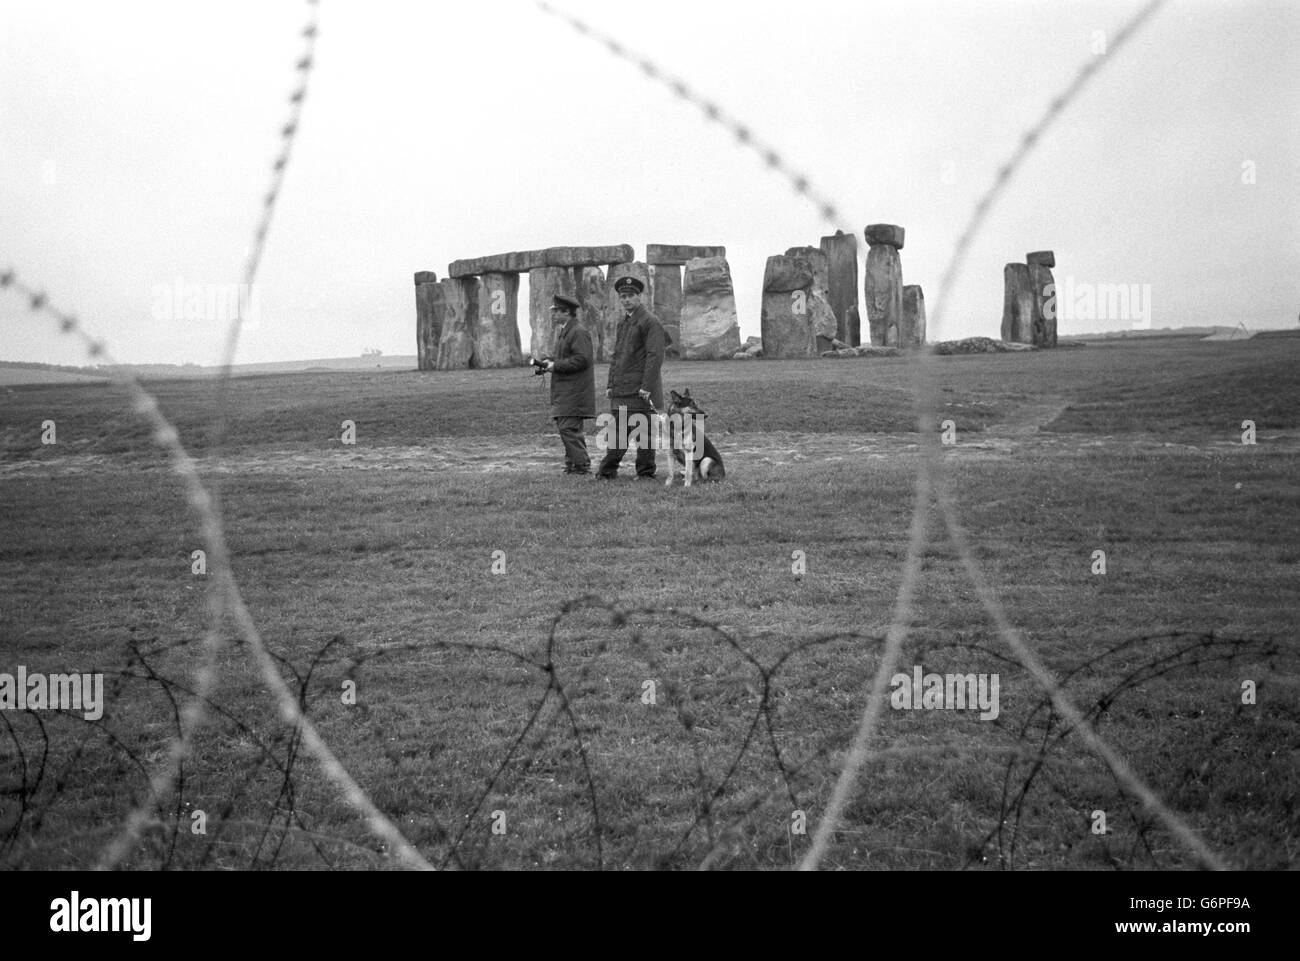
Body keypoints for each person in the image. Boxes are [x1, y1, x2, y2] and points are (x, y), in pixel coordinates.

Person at [597, 275, 665, 480]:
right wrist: (610, 384)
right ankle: (607, 471)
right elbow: (617, 356)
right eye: (623, 296)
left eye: (630, 295)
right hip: (621, 389)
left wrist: (647, 386)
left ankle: (645, 473)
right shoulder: (624, 322)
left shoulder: (650, 321)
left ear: (639, 296)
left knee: (643, 435)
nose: (626, 300)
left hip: (639, 390)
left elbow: (655, 355)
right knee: (617, 434)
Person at [541, 294, 595, 474]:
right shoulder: (566, 330)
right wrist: (547, 362)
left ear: (567, 312)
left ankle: (581, 465)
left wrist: (555, 366)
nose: (553, 314)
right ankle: (573, 465)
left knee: (568, 428)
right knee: (567, 427)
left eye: (556, 311)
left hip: (575, 390)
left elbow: (582, 360)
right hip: (566, 389)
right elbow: (567, 357)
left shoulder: (577, 332)